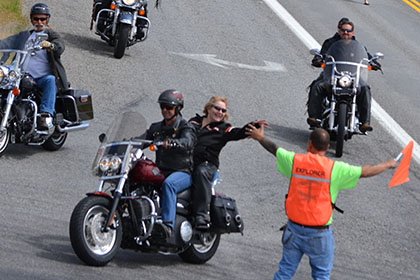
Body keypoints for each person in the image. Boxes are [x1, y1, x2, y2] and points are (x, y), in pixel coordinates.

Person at [245, 125, 396, 280]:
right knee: (321, 275)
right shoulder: (335, 169)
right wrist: (388, 164)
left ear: (309, 144)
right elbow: (364, 171)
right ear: (328, 147)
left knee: (284, 272)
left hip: (294, 230)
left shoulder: (295, 161)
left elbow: (275, 149)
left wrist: (259, 137)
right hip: (319, 234)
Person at [189, 96, 267, 229]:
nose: (220, 112)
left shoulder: (223, 128)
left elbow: (236, 132)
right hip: (188, 162)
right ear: (208, 108)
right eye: (217, 108)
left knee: (201, 172)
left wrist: (252, 126)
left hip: (208, 166)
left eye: (223, 111)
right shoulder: (194, 121)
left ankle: (202, 215)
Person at [0, 3, 69, 130]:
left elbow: (60, 45)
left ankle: (45, 115)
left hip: (41, 78)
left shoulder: (51, 35)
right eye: (36, 19)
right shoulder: (25, 36)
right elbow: (6, 43)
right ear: (31, 19)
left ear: (47, 19)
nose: (39, 22)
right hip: (22, 76)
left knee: (50, 80)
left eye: (42, 19)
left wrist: (51, 46)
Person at [307, 18, 380, 133]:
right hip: (332, 74)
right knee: (317, 85)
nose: (346, 32)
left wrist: (373, 62)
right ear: (339, 30)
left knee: (365, 89)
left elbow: (367, 57)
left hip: (352, 77)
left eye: (349, 30)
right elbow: (322, 54)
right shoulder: (330, 42)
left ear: (353, 32)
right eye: (343, 30)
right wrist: (318, 58)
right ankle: (314, 117)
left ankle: (364, 122)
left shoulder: (358, 45)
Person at [144, 89, 196, 237]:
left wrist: (173, 142)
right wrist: (124, 143)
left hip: (182, 172)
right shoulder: (157, 128)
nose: (165, 110)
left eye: (169, 107)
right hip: (161, 170)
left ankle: (167, 226)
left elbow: (188, 141)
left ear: (178, 108)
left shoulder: (186, 127)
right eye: (162, 107)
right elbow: (142, 139)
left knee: (169, 184)